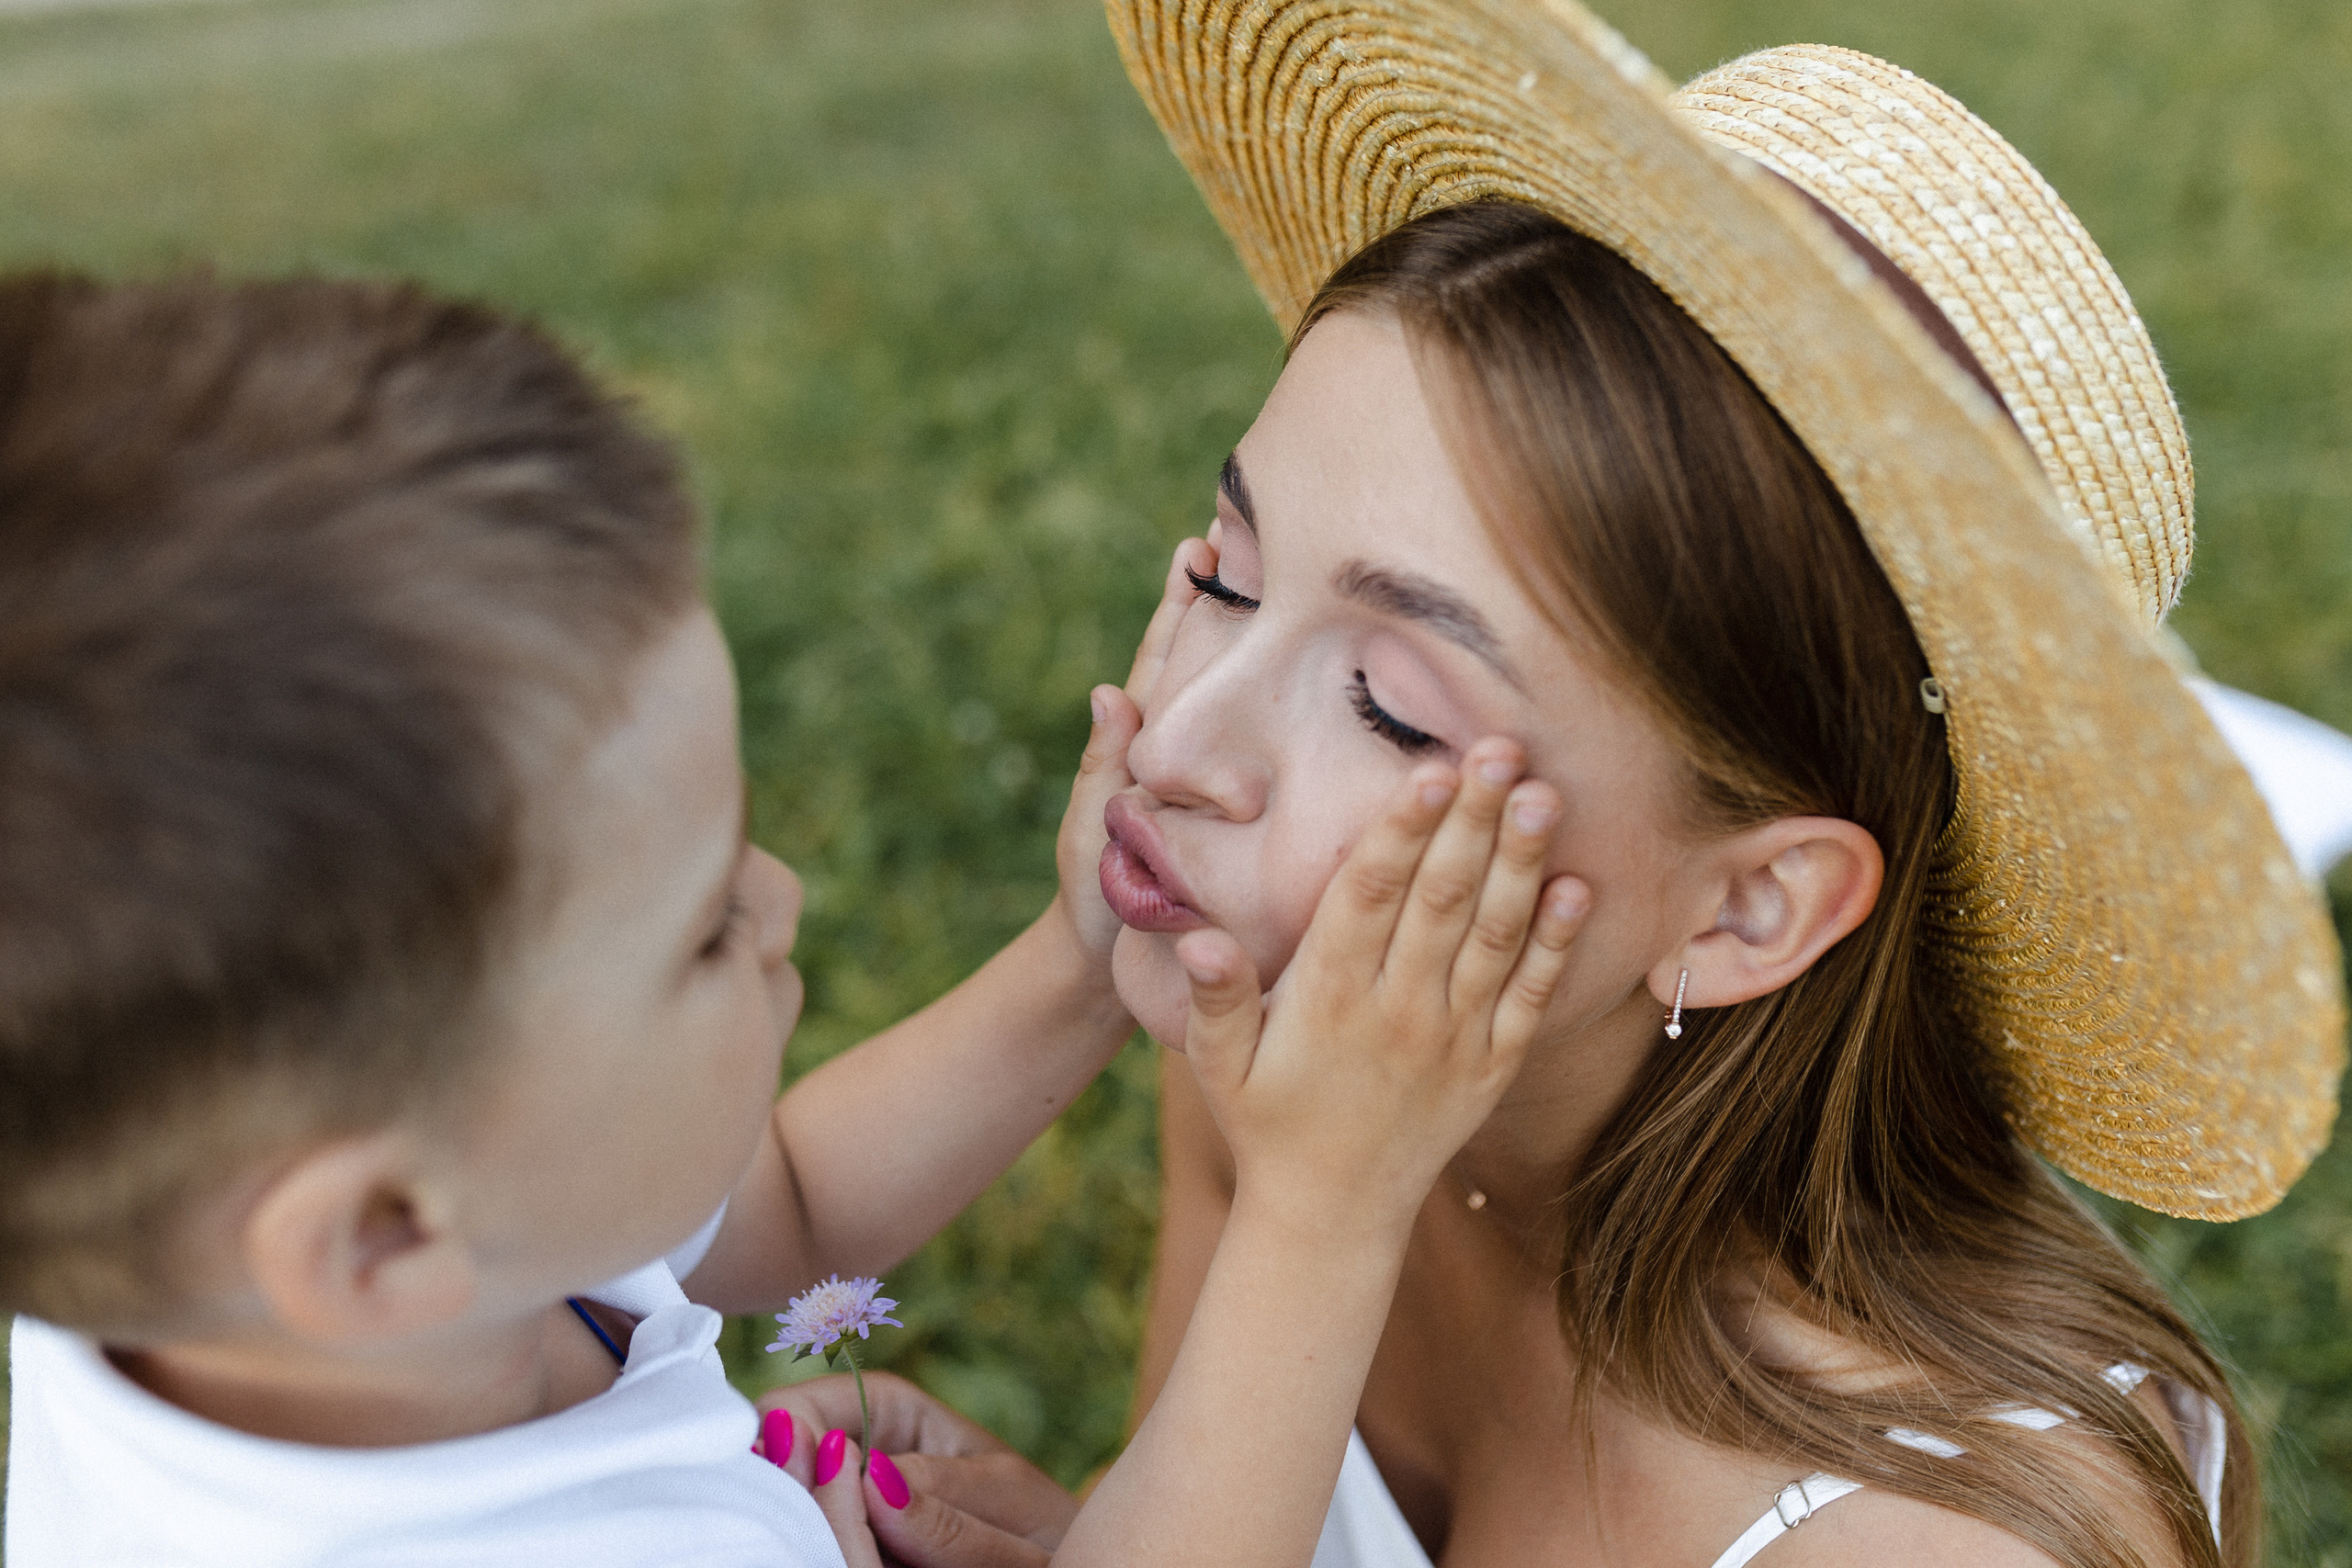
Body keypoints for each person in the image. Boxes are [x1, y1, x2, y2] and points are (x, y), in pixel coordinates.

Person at [786, 6, 2348, 1567]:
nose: (1175, 742)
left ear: (1747, 907)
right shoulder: (1265, 1056)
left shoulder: (1932, 1544)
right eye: (1230, 574)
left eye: (1392, 713)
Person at [0, 271, 1593, 1566]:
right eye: (701, 934)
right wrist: (1321, 1209)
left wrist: (1076, 962)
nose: (783, 900)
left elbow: (779, 1198)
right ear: (384, 1235)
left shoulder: (258, 1259)